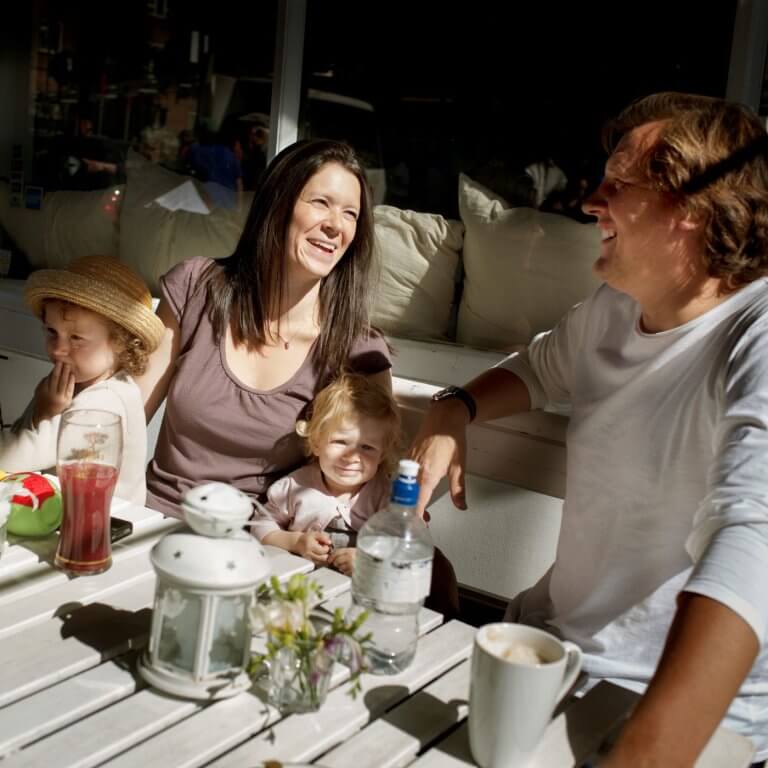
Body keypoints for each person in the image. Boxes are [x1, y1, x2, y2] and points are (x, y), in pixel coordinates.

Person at [410, 92, 768, 766]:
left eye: (618, 183)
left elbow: (755, 538)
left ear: (692, 207)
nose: (589, 201)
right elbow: (537, 370)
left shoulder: (757, 333)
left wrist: (642, 756)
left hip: (658, 711)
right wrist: (454, 407)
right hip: (542, 651)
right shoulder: (614, 306)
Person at [137, 139, 392, 519]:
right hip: (158, 519)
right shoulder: (197, 288)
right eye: (321, 202)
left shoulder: (357, 349)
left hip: (267, 544)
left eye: (351, 214)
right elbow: (126, 412)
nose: (335, 225)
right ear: (278, 203)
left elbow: (371, 483)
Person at [0, 256, 165, 505]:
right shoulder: (69, 383)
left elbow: (13, 457)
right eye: (52, 332)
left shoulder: (105, 402)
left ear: (120, 342)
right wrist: (44, 411)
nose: (58, 349)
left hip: (107, 530)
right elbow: (22, 438)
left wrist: (44, 415)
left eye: (76, 338)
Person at [251, 372, 401, 576]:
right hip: (300, 585)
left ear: (382, 453)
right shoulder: (294, 486)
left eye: (367, 447)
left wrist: (371, 559)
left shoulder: (385, 496)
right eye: (340, 442)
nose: (352, 456)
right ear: (317, 443)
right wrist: (295, 541)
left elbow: (402, 545)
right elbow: (260, 527)